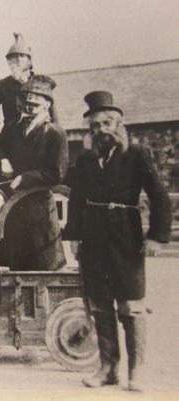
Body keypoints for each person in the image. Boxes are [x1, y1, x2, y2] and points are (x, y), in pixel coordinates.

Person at [63, 91, 171, 391]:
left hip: (127, 238)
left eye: (108, 123)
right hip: (94, 239)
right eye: (96, 126)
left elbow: (160, 197)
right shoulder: (85, 160)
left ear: (120, 125)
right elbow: (76, 200)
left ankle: (137, 371)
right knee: (100, 306)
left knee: (131, 306)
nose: (102, 130)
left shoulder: (136, 156)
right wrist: (74, 237)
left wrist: (157, 237)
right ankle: (108, 368)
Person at [0, 75, 68, 271]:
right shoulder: (13, 127)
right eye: (28, 99)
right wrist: (2, 160)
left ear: (47, 104)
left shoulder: (55, 133)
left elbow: (57, 173)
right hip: (14, 208)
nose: (30, 105)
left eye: (37, 100)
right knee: (13, 270)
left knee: (43, 269)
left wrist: (24, 177)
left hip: (39, 211)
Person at [0, 33, 34, 132]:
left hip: (35, 132)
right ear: (9, 61)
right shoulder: (2, 85)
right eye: (14, 56)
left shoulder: (39, 82)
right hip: (11, 133)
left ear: (29, 61)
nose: (18, 59)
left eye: (22, 56)